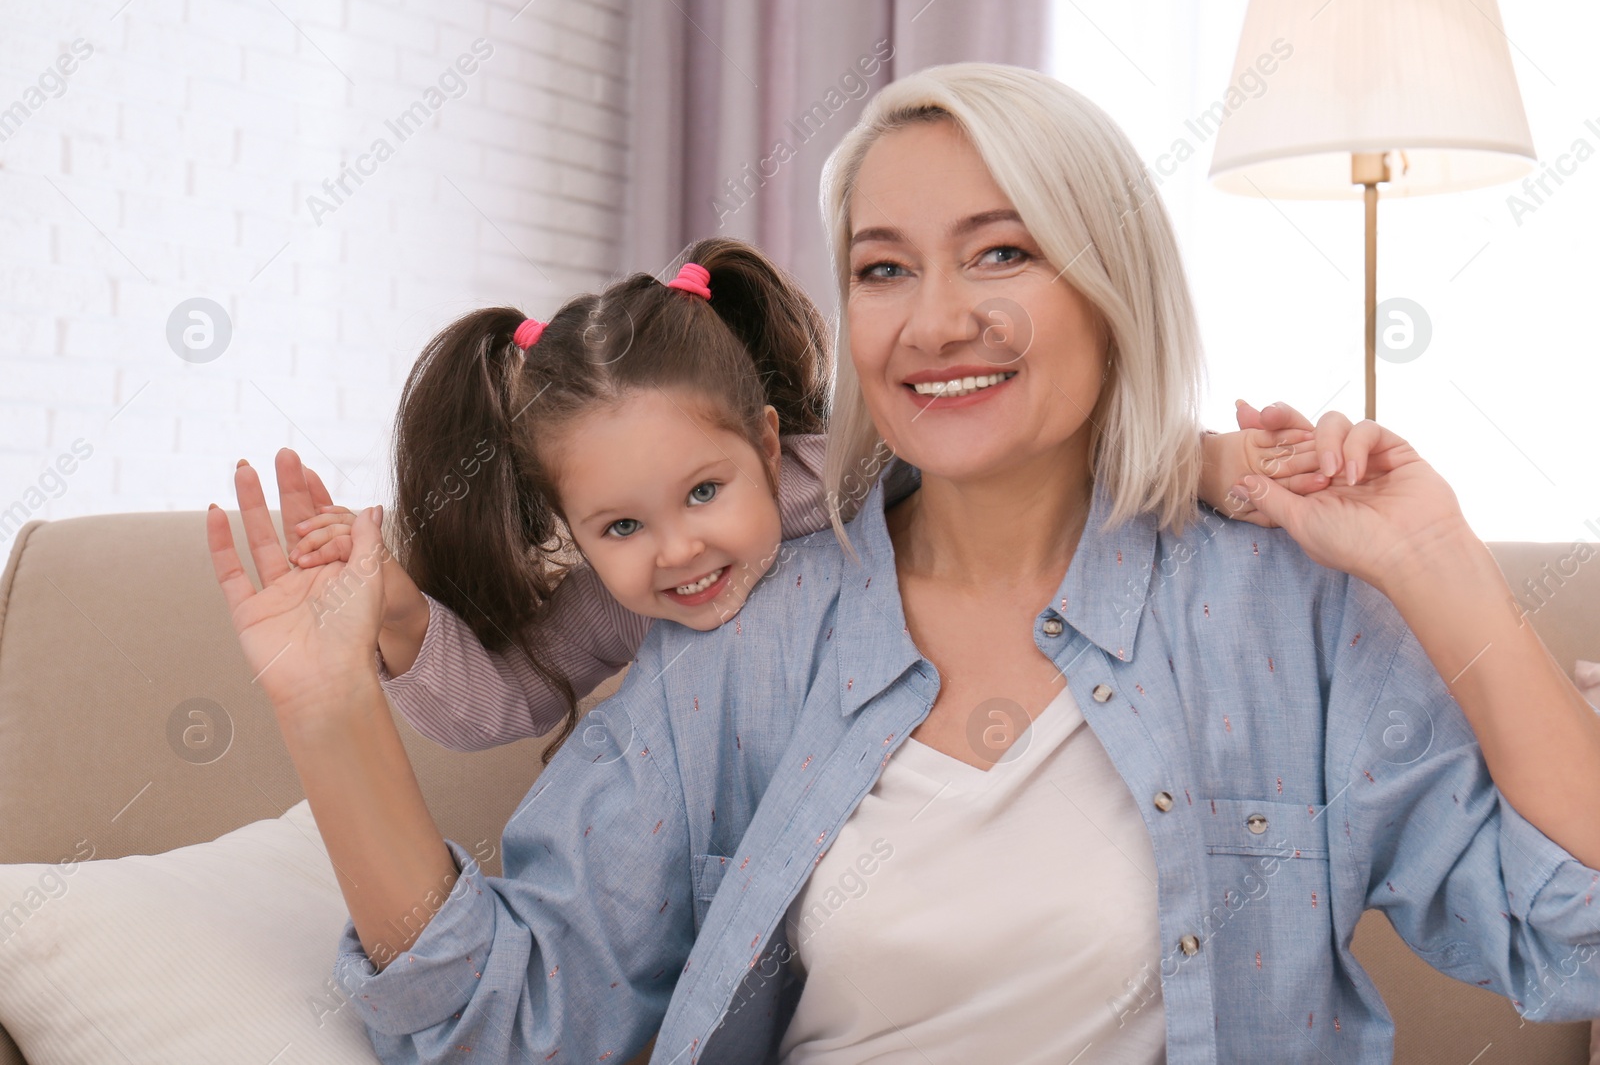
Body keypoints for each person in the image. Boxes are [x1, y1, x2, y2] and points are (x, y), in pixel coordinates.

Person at [205, 63, 1600, 1064]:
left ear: (1110, 283)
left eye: (1000, 252)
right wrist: (330, 708)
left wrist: (1436, 559)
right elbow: (503, 1025)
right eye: (882, 268)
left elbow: (1573, 934)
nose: (936, 319)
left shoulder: (1282, 614)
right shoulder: (737, 638)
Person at [268, 237, 1318, 765]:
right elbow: (502, 701)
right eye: (620, 525)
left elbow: (1039, 458)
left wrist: (1212, 463)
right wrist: (398, 615)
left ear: (769, 446)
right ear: (571, 526)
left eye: (706, 491)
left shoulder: (865, 466)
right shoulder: (618, 599)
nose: (678, 548)